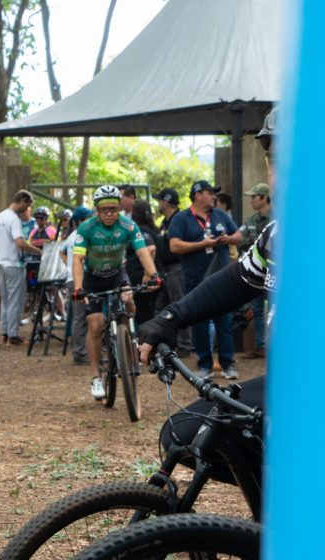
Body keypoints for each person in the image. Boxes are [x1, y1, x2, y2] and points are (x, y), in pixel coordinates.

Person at [139, 106, 276, 463]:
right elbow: (235, 280)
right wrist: (170, 317)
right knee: (184, 435)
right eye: (275, 158)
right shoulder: (278, 237)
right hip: (290, 384)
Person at [72, 185, 159, 399]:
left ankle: (129, 339)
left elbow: (142, 252)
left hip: (117, 274)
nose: (109, 214)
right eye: (105, 210)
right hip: (92, 278)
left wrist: (153, 274)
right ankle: (95, 376)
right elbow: (77, 259)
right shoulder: (86, 228)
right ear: (97, 210)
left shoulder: (129, 226)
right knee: (95, 324)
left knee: (129, 301)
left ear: (119, 208)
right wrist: (78, 287)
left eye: (113, 209)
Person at [167, 180, 242, 379]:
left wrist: (229, 239)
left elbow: (238, 235)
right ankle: (204, 365)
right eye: (210, 192)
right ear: (198, 194)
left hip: (223, 277)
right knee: (199, 322)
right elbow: (174, 246)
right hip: (195, 279)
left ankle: (228, 364)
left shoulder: (220, 215)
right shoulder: (182, 218)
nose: (214, 196)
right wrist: (201, 244)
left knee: (224, 321)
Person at [0, 190, 42, 345]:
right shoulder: (14, 219)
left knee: (6, 299)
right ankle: (13, 335)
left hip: (1, 262)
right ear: (22, 201)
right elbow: (20, 242)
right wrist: (38, 251)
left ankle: (5, 333)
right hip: (14, 264)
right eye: (28, 204)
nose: (27, 208)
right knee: (16, 299)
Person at [153, 188, 193, 356]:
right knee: (161, 308)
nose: (158, 204)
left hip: (177, 268)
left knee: (179, 306)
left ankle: (185, 345)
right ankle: (165, 343)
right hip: (165, 270)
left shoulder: (179, 219)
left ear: (165, 202)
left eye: (159, 201)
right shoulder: (165, 222)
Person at [239, 182, 272, 359]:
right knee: (257, 308)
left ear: (264, 197)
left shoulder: (278, 217)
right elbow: (240, 237)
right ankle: (260, 346)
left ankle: (275, 346)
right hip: (257, 270)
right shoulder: (250, 220)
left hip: (274, 271)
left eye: (254, 196)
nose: (251, 200)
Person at [61, 206, 93, 363]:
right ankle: (80, 353)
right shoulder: (83, 234)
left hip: (71, 278)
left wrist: (68, 266)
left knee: (79, 316)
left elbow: (61, 251)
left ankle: (82, 350)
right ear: (81, 220)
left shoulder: (71, 235)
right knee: (82, 316)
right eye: (88, 217)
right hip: (81, 278)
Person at [124, 200, 160, 326]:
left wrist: (147, 273)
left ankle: (145, 342)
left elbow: (151, 249)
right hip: (139, 276)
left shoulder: (142, 231)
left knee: (143, 315)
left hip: (141, 279)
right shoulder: (151, 229)